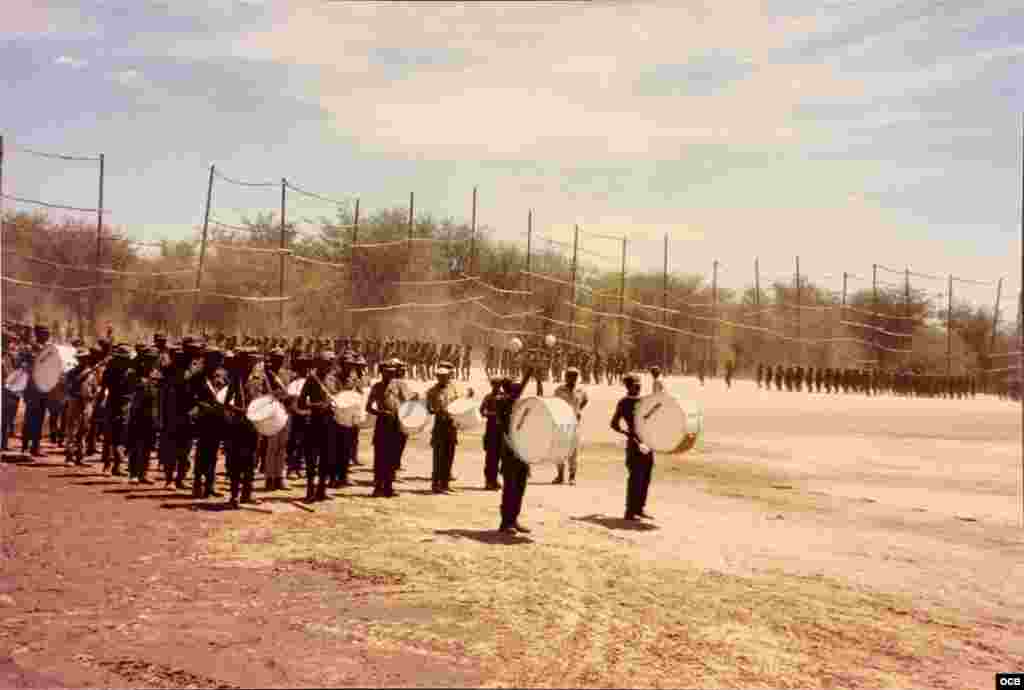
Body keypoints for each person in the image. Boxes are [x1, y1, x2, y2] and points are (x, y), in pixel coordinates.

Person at [497, 365, 543, 534]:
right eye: (514, 385)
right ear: (507, 388)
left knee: (520, 487)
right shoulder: (502, 401)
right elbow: (515, 396)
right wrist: (528, 375)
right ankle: (505, 522)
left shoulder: (518, 405)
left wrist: (537, 381)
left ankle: (513, 519)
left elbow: (538, 402)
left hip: (522, 451)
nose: (518, 387)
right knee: (510, 488)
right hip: (510, 452)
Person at [366, 358, 416, 498]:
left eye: (392, 372)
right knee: (380, 457)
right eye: (387, 372)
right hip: (382, 424)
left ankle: (388, 487)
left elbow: (409, 400)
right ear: (381, 372)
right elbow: (368, 407)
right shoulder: (376, 387)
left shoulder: (399, 385)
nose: (390, 374)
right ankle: (378, 487)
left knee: (393, 457)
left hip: (396, 424)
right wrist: (380, 413)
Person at [611, 373, 656, 521]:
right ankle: (629, 511)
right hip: (634, 446)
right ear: (628, 387)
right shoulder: (624, 403)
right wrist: (628, 434)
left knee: (646, 477)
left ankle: (640, 508)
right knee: (635, 477)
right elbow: (614, 424)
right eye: (636, 385)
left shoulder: (645, 401)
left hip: (648, 443)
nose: (639, 387)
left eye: (639, 385)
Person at [125, 347, 161, 484]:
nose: (151, 361)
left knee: (148, 445)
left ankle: (143, 473)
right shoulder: (134, 373)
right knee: (135, 445)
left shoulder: (157, 374)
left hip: (152, 413)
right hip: (137, 413)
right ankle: (133, 473)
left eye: (153, 359)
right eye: (148, 359)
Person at [426, 360, 461, 494]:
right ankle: (436, 484)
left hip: (451, 425)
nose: (444, 379)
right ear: (437, 377)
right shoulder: (432, 391)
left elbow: (458, 403)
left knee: (449, 455)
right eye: (441, 377)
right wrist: (436, 410)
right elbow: (428, 408)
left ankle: (445, 483)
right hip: (440, 425)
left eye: (446, 376)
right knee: (438, 456)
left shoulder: (453, 389)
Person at [553, 366, 588, 485]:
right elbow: (554, 404)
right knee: (560, 449)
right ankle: (560, 475)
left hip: (574, 423)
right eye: (569, 376)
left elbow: (585, 400)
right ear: (565, 377)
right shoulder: (559, 390)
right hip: (561, 422)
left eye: (574, 376)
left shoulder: (581, 390)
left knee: (573, 450)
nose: (572, 378)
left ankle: (572, 476)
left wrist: (578, 410)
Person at [479, 376, 504, 490]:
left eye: (498, 384)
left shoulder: (504, 396)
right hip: (491, 430)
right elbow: (482, 411)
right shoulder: (488, 397)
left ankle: (494, 480)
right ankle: (489, 481)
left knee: (498, 457)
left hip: (501, 431)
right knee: (491, 458)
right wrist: (493, 414)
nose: (496, 387)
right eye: (494, 384)